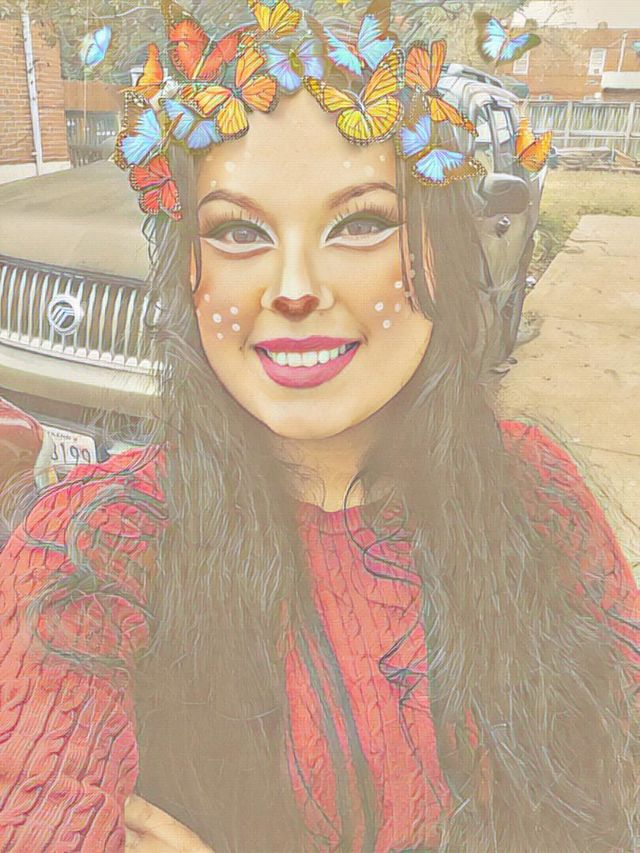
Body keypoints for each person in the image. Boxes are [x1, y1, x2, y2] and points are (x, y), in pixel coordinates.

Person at [0, 3, 637, 851]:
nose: (294, 288)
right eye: (238, 231)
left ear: (443, 250)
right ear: (188, 270)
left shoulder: (536, 495)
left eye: (361, 222)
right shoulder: (93, 549)